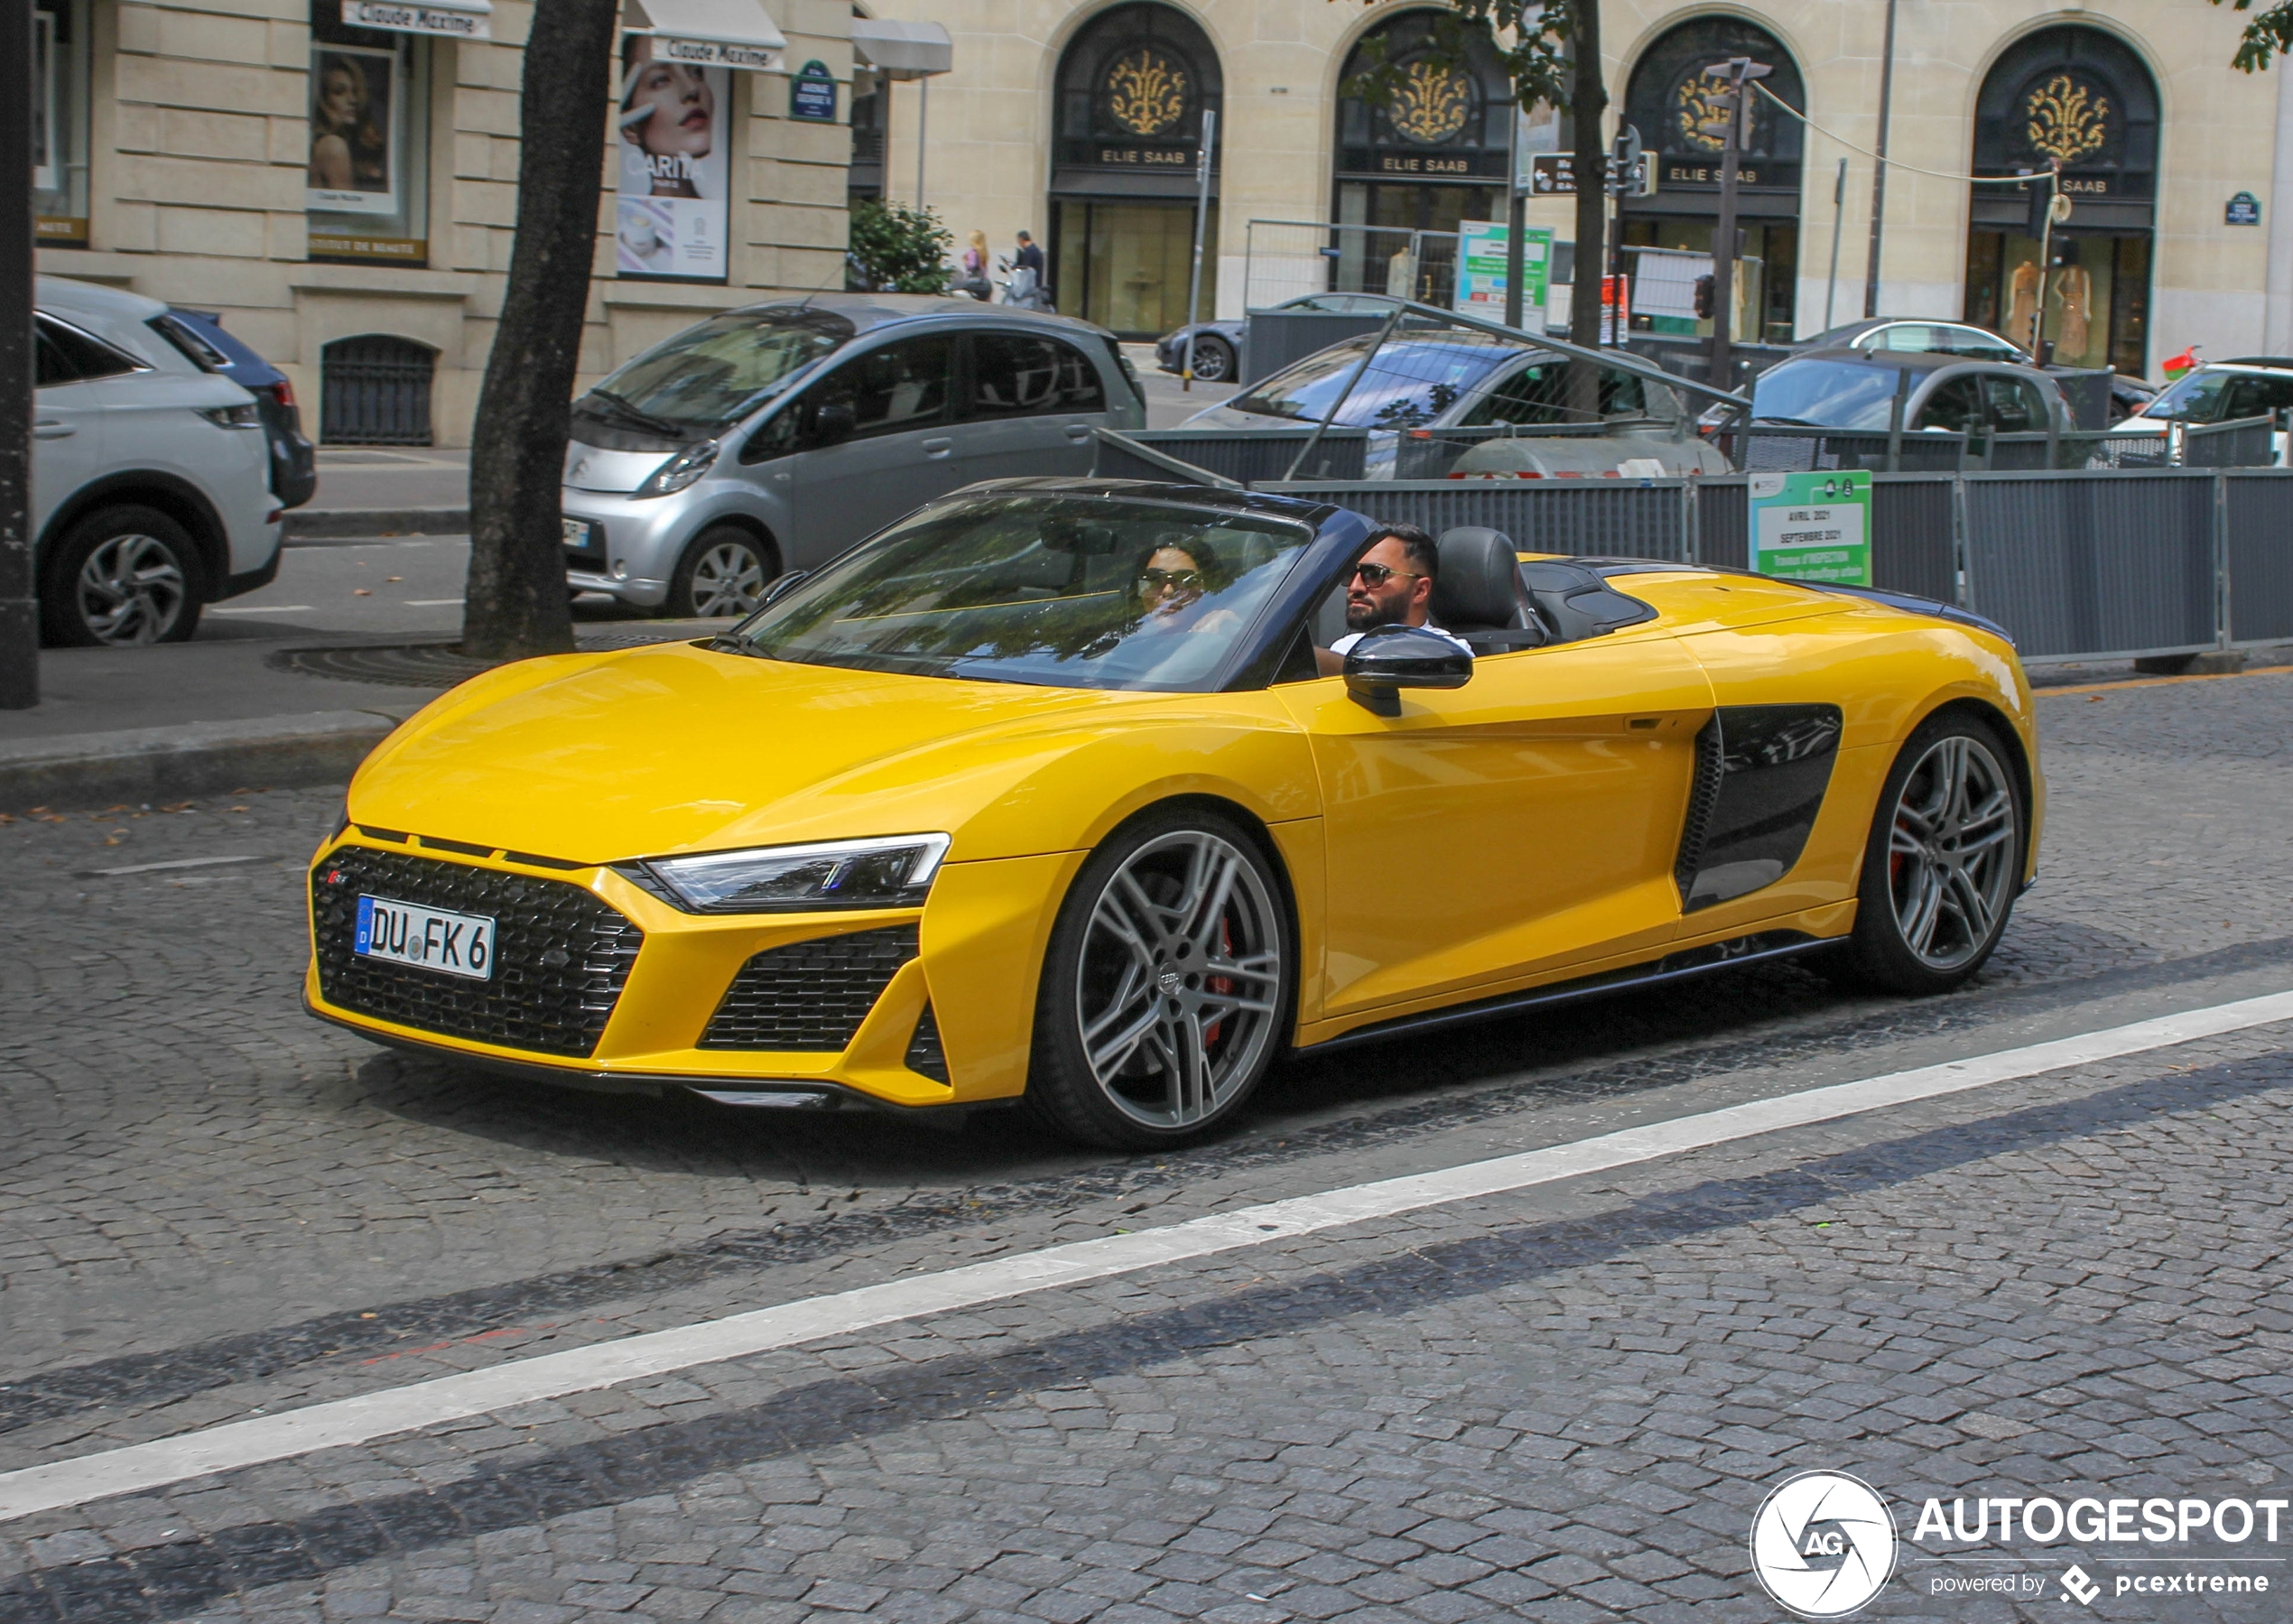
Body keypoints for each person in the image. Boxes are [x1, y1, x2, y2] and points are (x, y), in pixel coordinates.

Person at [1318, 524, 1470, 673]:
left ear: (1419, 590)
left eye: (1375, 574)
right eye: (1351, 573)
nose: (1355, 587)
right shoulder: (1344, 646)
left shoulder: (1451, 655)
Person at [619, 39, 715, 198]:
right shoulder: (632, 218)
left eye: (696, 72)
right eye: (661, 80)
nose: (692, 89)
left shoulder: (718, 214)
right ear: (630, 128)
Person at [1133, 541, 1238, 636]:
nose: (1168, 591)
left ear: (1206, 588)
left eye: (1185, 580)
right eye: (1154, 579)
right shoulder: (1128, 644)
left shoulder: (1222, 630)